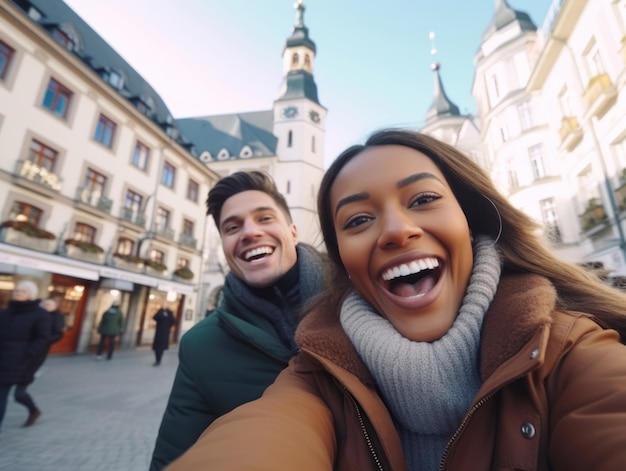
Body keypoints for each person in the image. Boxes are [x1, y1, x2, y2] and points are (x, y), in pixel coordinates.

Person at [166, 130, 626, 470]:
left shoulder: (568, 349)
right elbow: (263, 436)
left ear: (470, 216)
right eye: (358, 219)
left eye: (423, 198)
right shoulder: (315, 372)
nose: (395, 230)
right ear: (342, 260)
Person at [149, 171, 330, 470]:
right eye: (232, 227)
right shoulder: (200, 347)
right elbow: (174, 452)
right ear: (224, 247)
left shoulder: (356, 301)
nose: (249, 232)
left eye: (265, 218)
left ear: (293, 232)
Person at [0, 280, 51, 432]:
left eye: (22, 291)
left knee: (8, 395)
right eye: (16, 290)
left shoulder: (40, 315)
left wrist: (28, 353)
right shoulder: (6, 312)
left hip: (20, 362)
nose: (17, 293)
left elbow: (43, 338)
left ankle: (33, 410)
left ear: (31, 295)